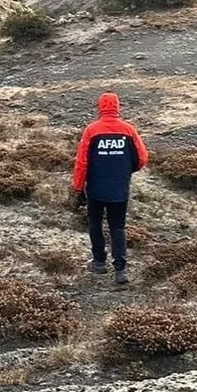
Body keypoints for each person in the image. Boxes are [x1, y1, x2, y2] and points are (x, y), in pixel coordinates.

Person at [71, 93, 149, 285]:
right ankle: (120, 270)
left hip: (96, 189)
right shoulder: (128, 130)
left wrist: (78, 187)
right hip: (119, 188)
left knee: (95, 223)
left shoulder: (91, 131)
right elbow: (142, 158)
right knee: (118, 227)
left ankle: (99, 262)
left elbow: (82, 162)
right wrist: (126, 170)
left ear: (100, 107)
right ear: (117, 107)